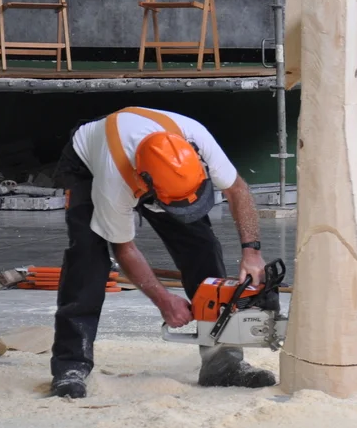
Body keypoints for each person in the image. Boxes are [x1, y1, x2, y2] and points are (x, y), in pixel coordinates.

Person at [49, 105, 277, 398]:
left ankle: (222, 363)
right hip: (88, 165)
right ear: (146, 186)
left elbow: (238, 190)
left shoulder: (196, 138)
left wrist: (252, 252)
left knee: (202, 247)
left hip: (157, 171)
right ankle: (71, 366)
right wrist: (163, 299)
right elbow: (124, 247)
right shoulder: (114, 182)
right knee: (88, 260)